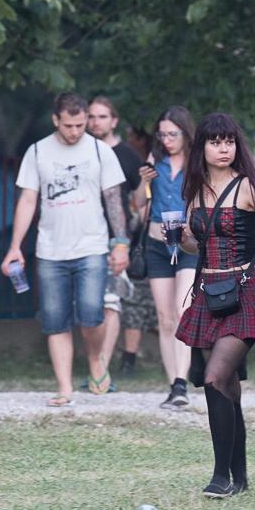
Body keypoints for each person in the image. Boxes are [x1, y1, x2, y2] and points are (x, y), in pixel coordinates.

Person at [174, 113, 255, 498]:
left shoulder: (249, 186)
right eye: (215, 142)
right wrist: (184, 239)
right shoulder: (195, 190)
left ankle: (220, 477)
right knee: (228, 388)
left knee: (214, 377)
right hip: (208, 293)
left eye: (229, 141)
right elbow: (195, 246)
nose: (224, 149)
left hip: (244, 292)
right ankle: (240, 478)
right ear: (201, 147)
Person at [1, 92, 129, 406]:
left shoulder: (100, 151)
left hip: (92, 246)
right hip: (50, 250)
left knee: (91, 315)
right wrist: (15, 247)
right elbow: (27, 200)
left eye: (80, 125)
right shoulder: (37, 151)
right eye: (69, 125)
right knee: (56, 321)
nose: (75, 132)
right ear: (55, 120)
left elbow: (114, 200)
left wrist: (121, 243)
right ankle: (64, 388)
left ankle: (96, 359)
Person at [136, 106, 200, 409]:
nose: (167, 140)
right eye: (162, 135)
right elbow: (139, 203)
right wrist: (143, 181)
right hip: (156, 243)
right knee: (164, 318)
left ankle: (182, 383)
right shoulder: (155, 158)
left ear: (185, 132)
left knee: (182, 309)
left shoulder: (198, 161)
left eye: (172, 134)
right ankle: (173, 383)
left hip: (187, 244)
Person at [87, 96, 143, 373]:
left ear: (114, 121)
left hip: (114, 239)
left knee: (111, 303)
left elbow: (140, 200)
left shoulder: (128, 156)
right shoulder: (80, 152)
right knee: (88, 305)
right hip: (83, 237)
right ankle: (94, 362)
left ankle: (102, 370)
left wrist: (133, 237)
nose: (96, 122)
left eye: (102, 116)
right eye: (91, 116)